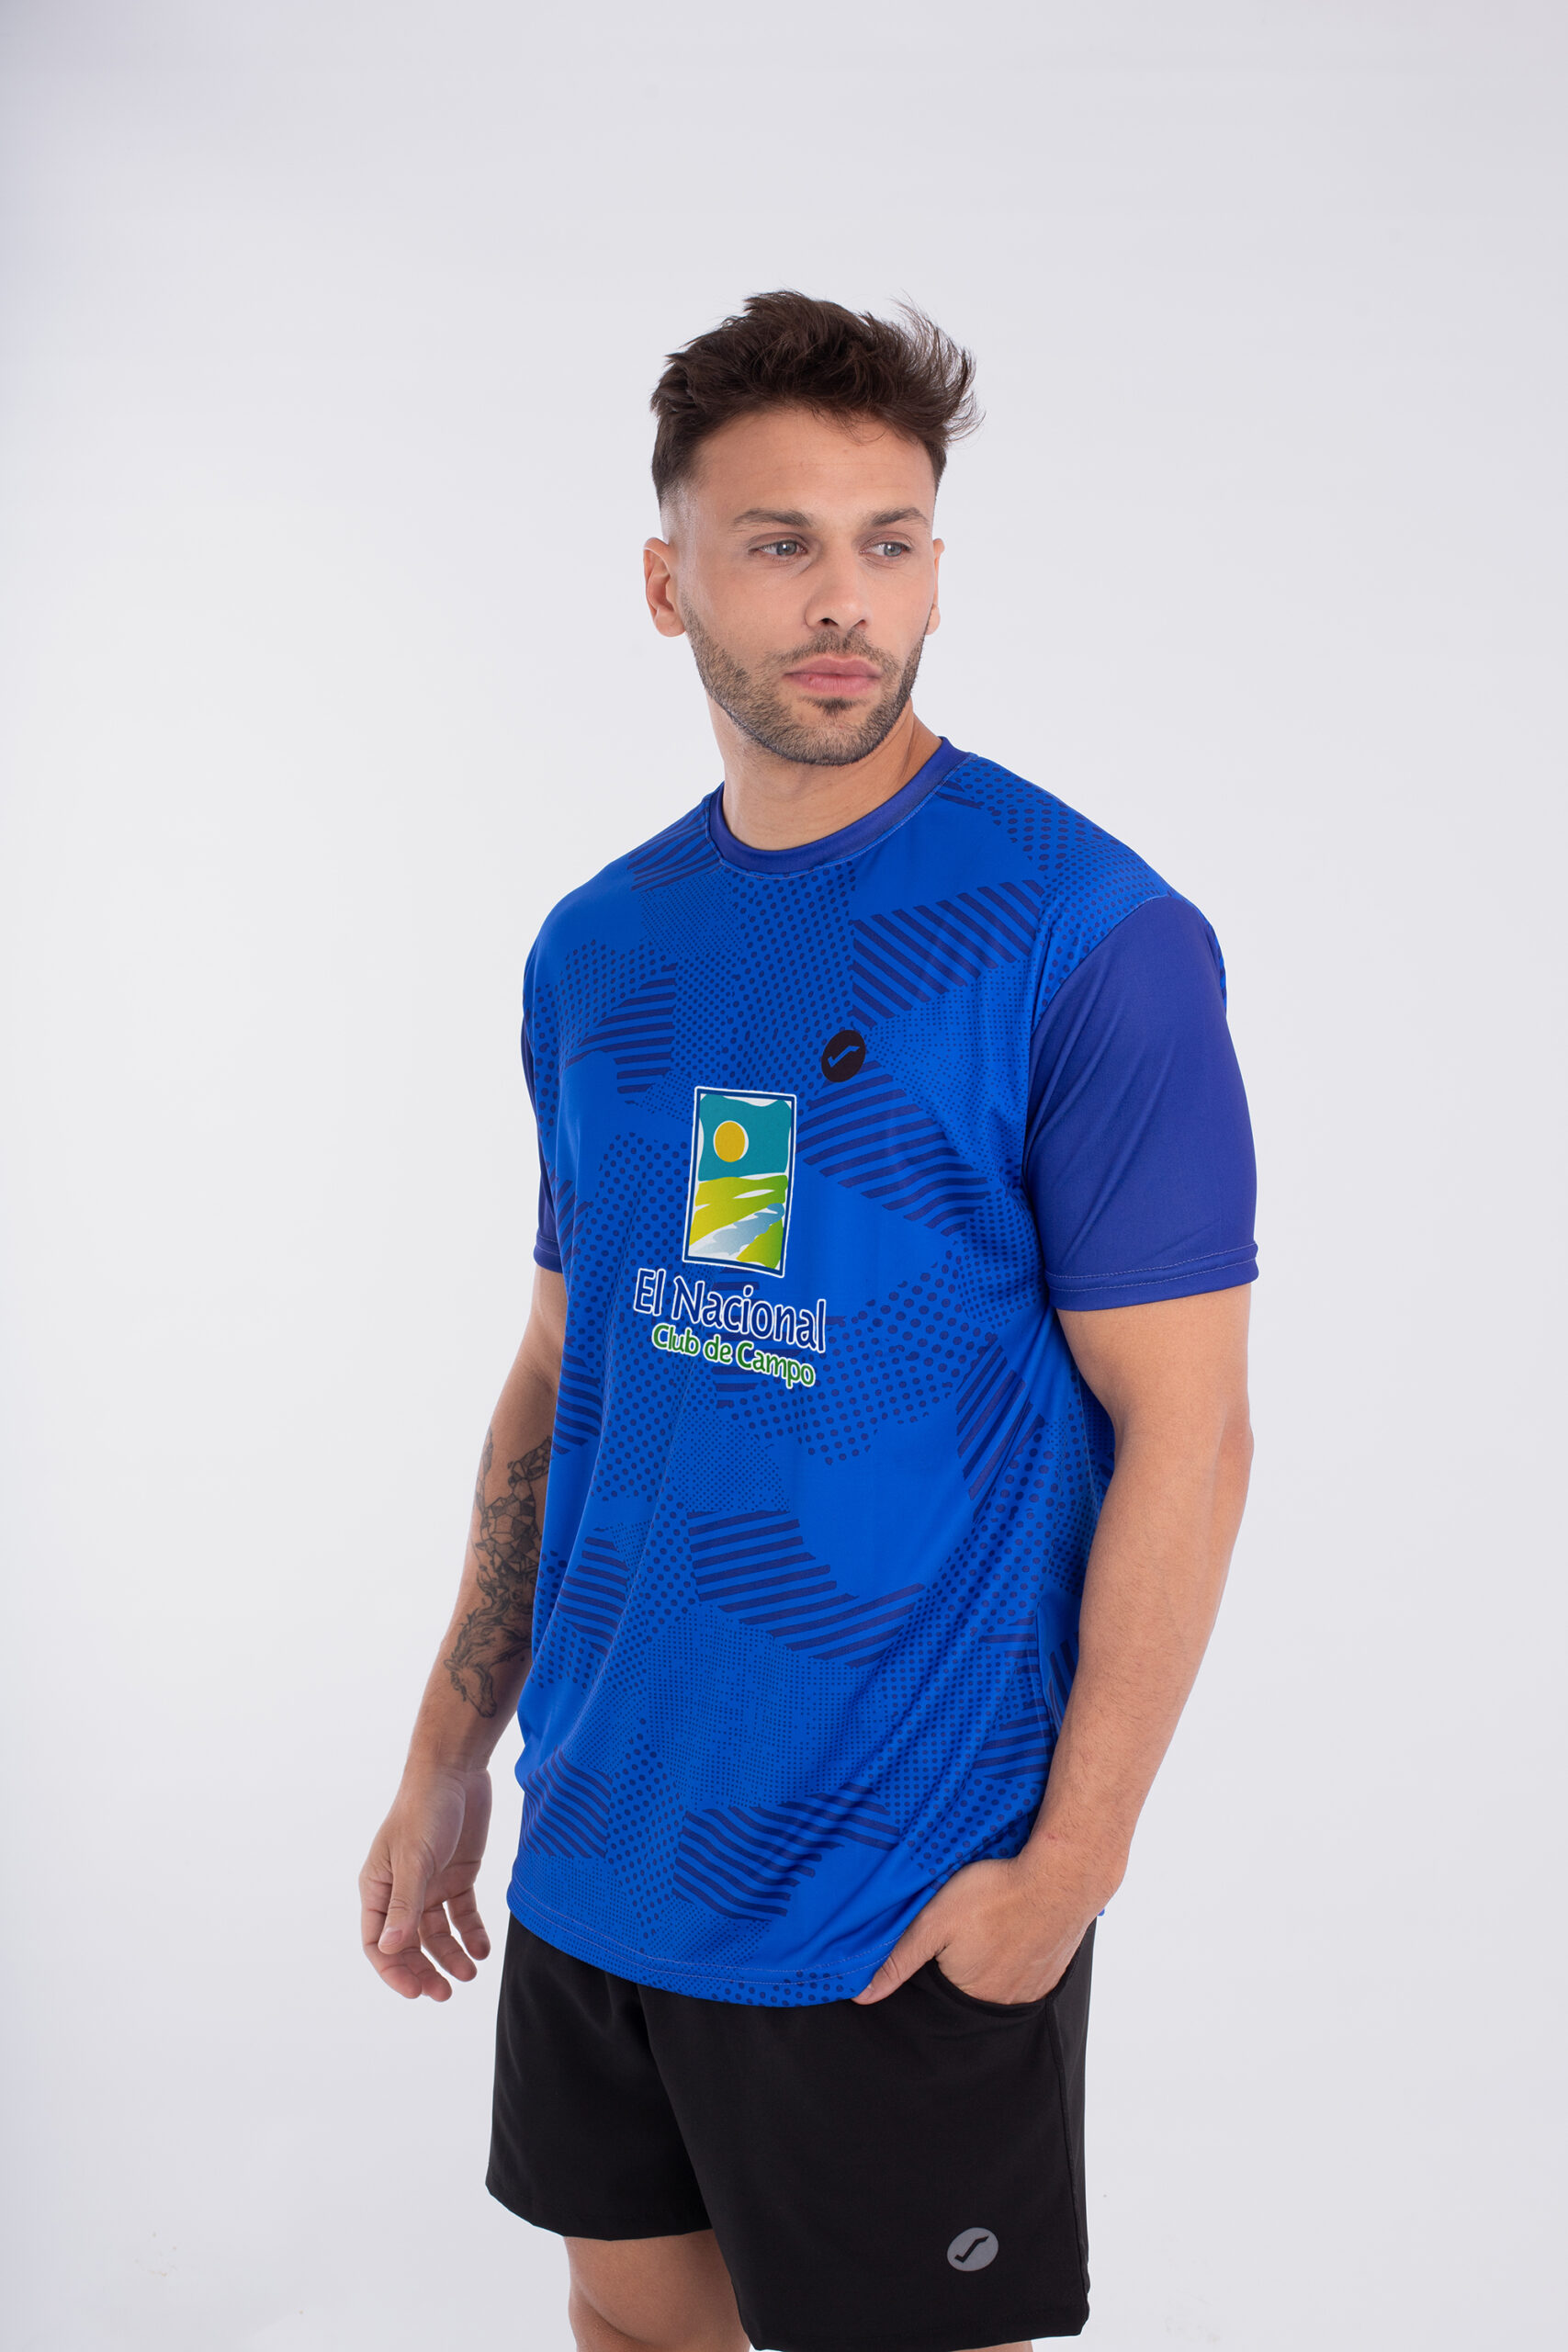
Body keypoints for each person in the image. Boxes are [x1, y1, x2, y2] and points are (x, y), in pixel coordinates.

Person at [359, 290, 1257, 2352]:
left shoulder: (1084, 938)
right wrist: (447, 1756)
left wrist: (1070, 1868)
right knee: (629, 2327)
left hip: (889, 1879)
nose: (845, 598)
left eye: (889, 539)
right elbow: (570, 1366)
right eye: (779, 543)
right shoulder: (601, 947)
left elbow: (1190, 1432)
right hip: (600, 1846)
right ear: (666, 579)